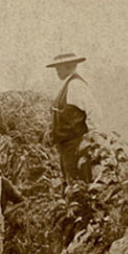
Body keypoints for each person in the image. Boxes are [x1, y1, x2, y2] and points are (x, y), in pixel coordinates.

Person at [47, 52, 102, 185]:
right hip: (66, 145)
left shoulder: (76, 85)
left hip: (75, 144)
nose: (57, 72)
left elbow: (94, 111)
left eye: (58, 68)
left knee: (78, 182)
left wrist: (90, 138)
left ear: (68, 66)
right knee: (70, 181)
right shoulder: (68, 85)